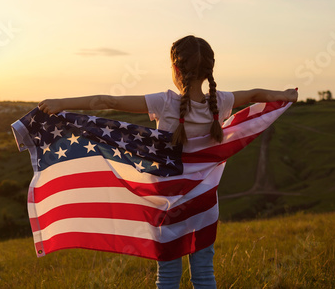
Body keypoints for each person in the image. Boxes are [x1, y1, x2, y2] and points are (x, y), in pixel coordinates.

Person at [38, 35, 298, 289]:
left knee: (168, 277)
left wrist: (62, 103)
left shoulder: (164, 102)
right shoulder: (220, 102)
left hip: (167, 205)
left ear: (175, 68)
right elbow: (254, 94)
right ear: (209, 71)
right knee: (205, 274)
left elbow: (108, 101)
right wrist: (285, 94)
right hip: (203, 204)